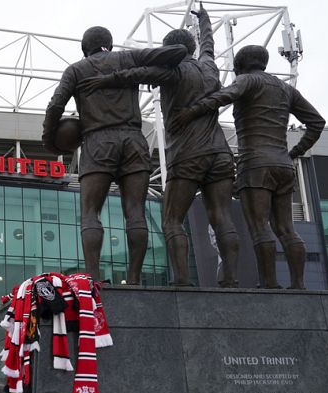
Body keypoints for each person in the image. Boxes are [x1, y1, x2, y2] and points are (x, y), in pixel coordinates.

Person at [77, 3, 239, 287]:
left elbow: (135, 74)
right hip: (220, 153)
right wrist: (205, 22)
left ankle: (182, 281)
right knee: (222, 216)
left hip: (188, 154)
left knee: (172, 219)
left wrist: (106, 79)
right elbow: (209, 47)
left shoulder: (173, 72)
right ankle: (231, 279)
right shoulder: (210, 67)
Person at [172, 44, 325, 289]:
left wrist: (191, 111)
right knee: (287, 229)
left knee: (259, 227)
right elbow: (317, 122)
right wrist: (294, 152)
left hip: (255, 165)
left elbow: (222, 96)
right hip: (283, 166)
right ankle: (298, 284)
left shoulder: (247, 81)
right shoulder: (286, 89)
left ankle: (269, 283)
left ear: (239, 66)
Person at [42, 28, 187, 283]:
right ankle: (133, 280)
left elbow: (56, 105)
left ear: (84, 48)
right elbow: (178, 52)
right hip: (133, 140)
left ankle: (94, 280)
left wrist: (50, 141)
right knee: (135, 213)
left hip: (98, 140)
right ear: (109, 44)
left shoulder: (77, 69)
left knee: (90, 213)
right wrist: (126, 75)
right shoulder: (127, 58)